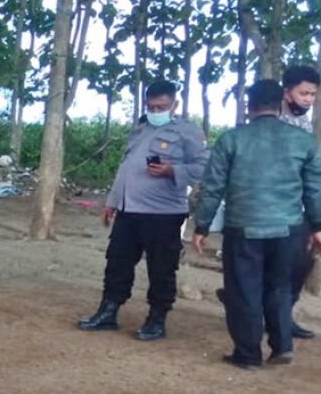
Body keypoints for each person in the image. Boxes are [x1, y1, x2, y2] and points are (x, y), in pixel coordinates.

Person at [192, 80, 321, 369]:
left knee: (243, 290)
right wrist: (317, 226)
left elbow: (213, 188)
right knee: (280, 287)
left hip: (244, 227)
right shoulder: (303, 141)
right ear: (280, 105)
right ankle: (282, 346)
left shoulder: (232, 139)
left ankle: (248, 355)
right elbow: (315, 189)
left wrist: (201, 226)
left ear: (249, 106)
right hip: (288, 228)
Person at [78, 80, 209, 341]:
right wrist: (112, 202)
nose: (155, 111)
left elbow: (205, 167)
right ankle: (108, 311)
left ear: (174, 104)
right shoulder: (140, 130)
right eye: (151, 107)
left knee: (161, 268)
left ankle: (157, 319)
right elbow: (125, 168)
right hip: (129, 210)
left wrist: (173, 170)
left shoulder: (188, 132)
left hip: (163, 214)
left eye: (161, 106)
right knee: (117, 262)